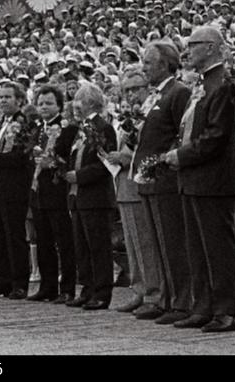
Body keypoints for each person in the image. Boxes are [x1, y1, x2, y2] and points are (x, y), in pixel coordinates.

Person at [163, 26, 235, 332]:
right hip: (194, 176)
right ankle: (204, 305)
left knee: (217, 246)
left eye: (193, 45)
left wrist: (181, 155)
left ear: (210, 47)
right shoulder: (202, 83)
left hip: (212, 176)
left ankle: (227, 310)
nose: (187, 51)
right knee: (196, 247)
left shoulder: (222, 82)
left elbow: (217, 136)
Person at [131, 41, 192, 324]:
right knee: (157, 243)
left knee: (172, 243)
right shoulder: (156, 95)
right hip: (148, 178)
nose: (144, 68)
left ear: (166, 64)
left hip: (165, 179)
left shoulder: (178, 92)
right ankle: (164, 299)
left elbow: (181, 134)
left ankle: (181, 301)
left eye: (148, 62)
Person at [106, 68, 163, 314]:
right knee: (132, 243)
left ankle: (154, 293)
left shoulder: (151, 112)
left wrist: (125, 157)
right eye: (127, 90)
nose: (131, 94)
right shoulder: (126, 116)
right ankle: (139, 289)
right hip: (123, 184)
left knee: (146, 242)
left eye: (136, 89)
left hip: (141, 181)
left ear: (147, 88)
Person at [0, 82, 39, 300]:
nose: (3, 100)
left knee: (14, 235)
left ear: (19, 100)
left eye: (7, 97)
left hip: (15, 186)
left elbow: (23, 156)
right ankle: (2, 280)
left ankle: (19, 282)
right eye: (1, 97)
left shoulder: (25, 123)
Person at [63, 82, 117, 310]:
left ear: (92, 103)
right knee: (82, 246)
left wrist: (80, 175)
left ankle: (102, 292)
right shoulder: (81, 130)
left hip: (95, 196)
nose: (76, 105)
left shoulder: (103, 127)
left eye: (81, 101)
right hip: (78, 197)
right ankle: (87, 288)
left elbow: (105, 164)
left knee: (98, 246)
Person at [27, 85, 78, 304]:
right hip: (39, 190)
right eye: (40, 103)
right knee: (43, 240)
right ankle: (47, 286)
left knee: (63, 240)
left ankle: (67, 287)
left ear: (59, 105)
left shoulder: (67, 128)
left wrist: (53, 162)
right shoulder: (37, 129)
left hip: (59, 190)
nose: (44, 107)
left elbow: (69, 158)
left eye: (49, 103)